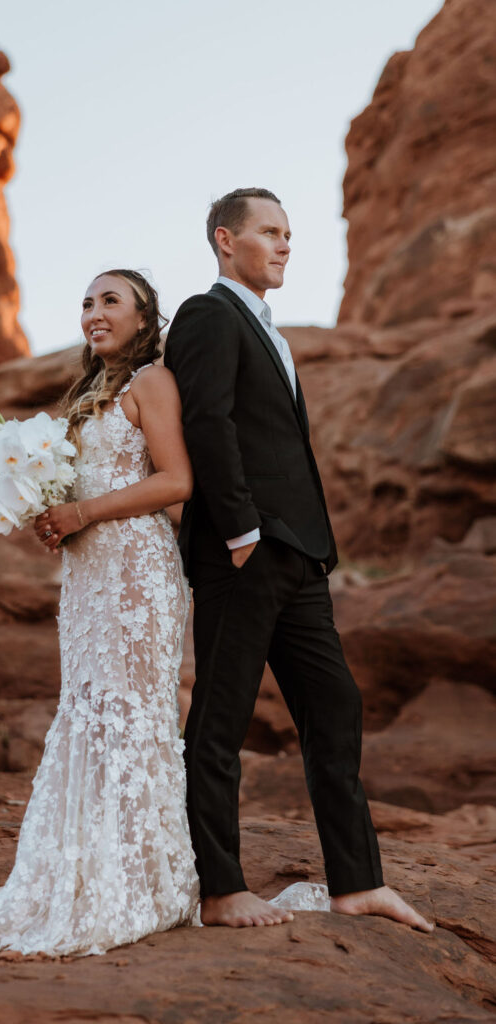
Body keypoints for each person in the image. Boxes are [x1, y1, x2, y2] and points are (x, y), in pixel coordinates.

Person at [0, 269, 210, 956]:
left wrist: (83, 509)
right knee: (86, 707)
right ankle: (78, 872)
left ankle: (138, 876)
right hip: (87, 576)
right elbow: (81, 483)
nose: (94, 312)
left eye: (111, 301)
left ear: (144, 319)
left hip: (137, 573)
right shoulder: (84, 395)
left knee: (130, 709)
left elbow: (176, 481)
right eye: (86, 302)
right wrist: (50, 514)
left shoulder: (152, 384)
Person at [164, 188, 434, 932]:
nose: (286, 245)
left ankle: (355, 882)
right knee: (220, 720)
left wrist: (307, 544)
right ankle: (219, 890)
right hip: (244, 553)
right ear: (226, 240)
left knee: (334, 705)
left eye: (289, 234)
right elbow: (207, 421)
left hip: (300, 558)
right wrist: (241, 530)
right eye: (270, 232)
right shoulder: (206, 315)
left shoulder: (272, 332)